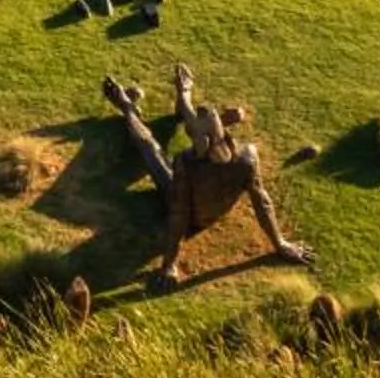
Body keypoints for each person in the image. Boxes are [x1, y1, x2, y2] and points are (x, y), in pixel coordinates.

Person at [102, 65, 313, 287]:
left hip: (194, 213)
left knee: (150, 147)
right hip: (204, 207)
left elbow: (181, 214)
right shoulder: (243, 156)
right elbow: (259, 201)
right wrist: (169, 264)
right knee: (160, 141)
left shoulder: (199, 162)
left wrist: (169, 266)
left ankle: (130, 106)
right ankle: (164, 99)